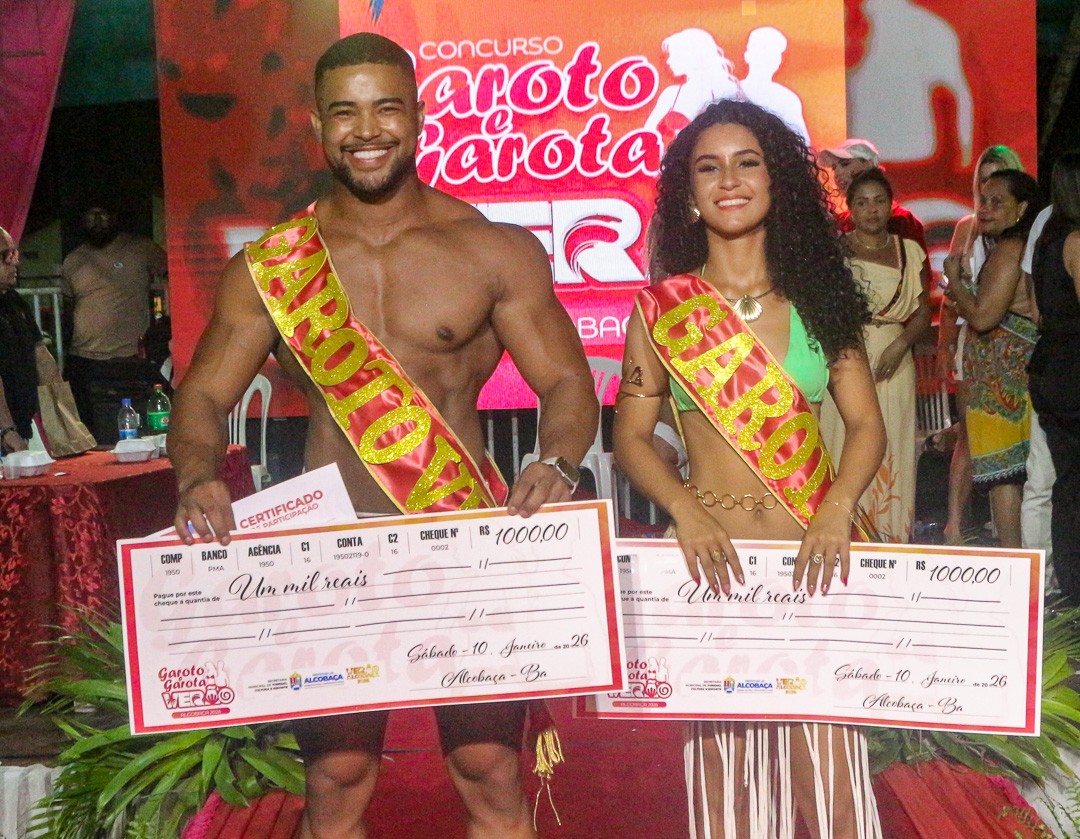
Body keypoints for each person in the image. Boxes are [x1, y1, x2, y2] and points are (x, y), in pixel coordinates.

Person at [168, 33, 598, 839]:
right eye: (345, 112)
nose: (366, 130)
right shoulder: (271, 266)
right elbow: (201, 394)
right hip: (332, 554)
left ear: (420, 117)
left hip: (460, 536)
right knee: (335, 780)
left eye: (386, 108)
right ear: (317, 126)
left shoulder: (491, 249)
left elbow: (568, 382)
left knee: (490, 769)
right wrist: (197, 474)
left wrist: (557, 459)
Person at [613, 99, 885, 838]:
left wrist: (836, 508)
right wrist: (683, 509)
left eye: (746, 163)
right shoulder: (661, 311)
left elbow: (867, 426)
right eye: (709, 168)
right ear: (689, 196)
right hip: (715, 567)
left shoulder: (820, 300)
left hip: (814, 560)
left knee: (832, 794)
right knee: (730, 799)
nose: (728, 180)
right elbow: (630, 437)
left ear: (776, 182)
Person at [822, 169, 930, 542]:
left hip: (895, 359)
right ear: (850, 208)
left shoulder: (909, 251)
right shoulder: (835, 252)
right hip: (845, 355)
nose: (872, 210)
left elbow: (922, 314)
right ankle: (841, 533)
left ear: (890, 205)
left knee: (893, 442)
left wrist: (900, 345)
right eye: (863, 202)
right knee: (843, 440)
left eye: (879, 201)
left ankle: (888, 538)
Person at [944, 170, 1041, 549]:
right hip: (1002, 381)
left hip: (1004, 385)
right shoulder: (1013, 246)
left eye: (997, 202)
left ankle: (1016, 567)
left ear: (1022, 208)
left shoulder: (1010, 249)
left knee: (1005, 477)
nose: (984, 208)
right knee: (1012, 476)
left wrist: (955, 280)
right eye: (982, 200)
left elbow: (984, 317)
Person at [61, 201, 167, 427]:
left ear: (115, 218)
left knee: (134, 422)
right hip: (85, 357)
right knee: (89, 425)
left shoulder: (142, 248)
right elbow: (68, 307)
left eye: (102, 214)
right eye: (91, 216)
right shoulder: (74, 259)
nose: (97, 222)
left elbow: (174, 275)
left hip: (131, 356)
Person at [1029, 150, 1080, 605]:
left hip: (1052, 366)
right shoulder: (1076, 239)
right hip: (1071, 370)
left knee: (1067, 482)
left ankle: (1069, 581)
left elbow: (1037, 307)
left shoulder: (1048, 234)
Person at [0, 226, 63, 453]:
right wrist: (6, 430)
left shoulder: (14, 301)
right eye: (6, 256)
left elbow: (42, 357)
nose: (15, 262)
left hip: (19, 422)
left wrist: (64, 419)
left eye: (15, 253)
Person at [819, 139, 929, 256]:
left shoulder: (902, 220)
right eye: (834, 168)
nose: (837, 173)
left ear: (869, 163)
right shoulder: (840, 223)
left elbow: (916, 266)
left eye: (845, 164)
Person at [644, 28, 739, 143]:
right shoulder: (671, 94)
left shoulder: (725, 93)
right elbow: (646, 133)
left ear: (692, 57)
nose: (668, 61)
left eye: (674, 55)